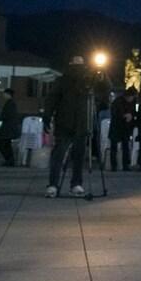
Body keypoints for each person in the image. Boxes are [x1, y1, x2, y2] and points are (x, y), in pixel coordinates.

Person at [45, 56, 95, 197]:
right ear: (71, 64)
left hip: (82, 124)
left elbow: (105, 87)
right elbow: (51, 98)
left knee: (78, 156)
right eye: (76, 64)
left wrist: (101, 73)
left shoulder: (88, 81)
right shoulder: (62, 81)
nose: (78, 68)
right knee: (58, 155)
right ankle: (53, 184)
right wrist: (47, 116)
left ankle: (76, 184)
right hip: (64, 123)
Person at [110, 86, 137, 170]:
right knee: (114, 147)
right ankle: (113, 165)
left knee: (126, 146)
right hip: (116, 126)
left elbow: (133, 112)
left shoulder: (132, 102)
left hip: (126, 127)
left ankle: (126, 165)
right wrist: (124, 116)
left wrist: (131, 116)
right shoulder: (117, 102)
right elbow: (114, 113)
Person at [0, 88, 19, 167]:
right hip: (9, 126)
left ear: (8, 94)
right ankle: (9, 160)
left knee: (1, 142)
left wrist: (0, 117)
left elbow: (6, 115)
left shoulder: (10, 103)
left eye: (4, 94)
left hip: (7, 127)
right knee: (6, 144)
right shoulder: (11, 103)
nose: (3, 95)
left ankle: (9, 159)